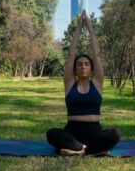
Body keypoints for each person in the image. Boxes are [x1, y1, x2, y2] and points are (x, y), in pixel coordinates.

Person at [46, 11, 121, 156]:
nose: (83, 66)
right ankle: (90, 150)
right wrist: (79, 28)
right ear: (74, 68)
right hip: (72, 131)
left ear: (92, 68)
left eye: (87, 64)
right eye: (79, 64)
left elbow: (97, 54)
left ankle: (80, 150)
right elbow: (71, 54)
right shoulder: (69, 83)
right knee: (52, 133)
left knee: (115, 133)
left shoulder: (97, 83)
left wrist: (91, 28)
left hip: (94, 131)